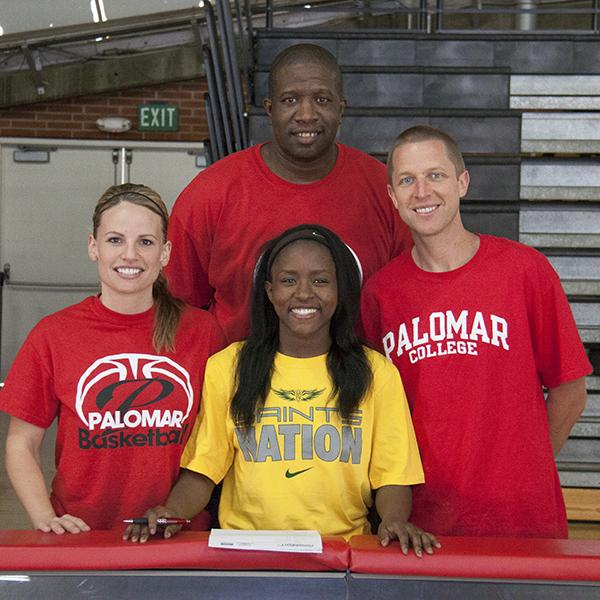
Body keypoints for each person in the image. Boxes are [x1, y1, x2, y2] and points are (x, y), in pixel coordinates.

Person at [126, 224, 438, 555]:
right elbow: (203, 472)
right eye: (289, 280)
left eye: (320, 281)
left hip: (339, 553)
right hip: (244, 553)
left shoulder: (376, 373)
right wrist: (171, 514)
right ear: (270, 291)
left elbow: (393, 477)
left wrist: (393, 520)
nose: (304, 293)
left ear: (340, 291)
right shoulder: (228, 367)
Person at [361, 125, 592, 538]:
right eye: (407, 180)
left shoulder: (524, 271)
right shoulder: (380, 293)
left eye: (436, 175)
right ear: (393, 198)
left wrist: (526, 470)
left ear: (462, 182)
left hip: (523, 522)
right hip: (421, 526)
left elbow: (570, 392)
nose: (422, 191)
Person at [2, 183, 224, 533]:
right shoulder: (53, 334)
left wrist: (177, 512)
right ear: (94, 247)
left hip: (177, 534)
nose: (130, 255)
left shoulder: (203, 331)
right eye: (115, 240)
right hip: (85, 535)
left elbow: (218, 441)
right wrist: (45, 518)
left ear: (165, 253)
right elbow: (21, 443)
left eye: (146, 242)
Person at [165, 43, 411, 343]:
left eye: (321, 99)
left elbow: (410, 300)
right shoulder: (209, 194)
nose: (306, 114)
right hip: (240, 384)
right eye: (290, 99)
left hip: (356, 382)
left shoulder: (384, 189)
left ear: (341, 108)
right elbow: (177, 309)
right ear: (270, 109)